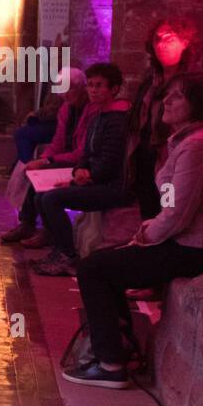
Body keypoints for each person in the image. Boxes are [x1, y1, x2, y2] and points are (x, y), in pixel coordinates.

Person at [67, 72, 203, 388]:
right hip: (182, 240)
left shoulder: (198, 145)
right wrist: (149, 230)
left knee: (94, 268)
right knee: (102, 262)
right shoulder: (188, 141)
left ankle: (110, 364)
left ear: (199, 104)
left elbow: (178, 212)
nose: (167, 101)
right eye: (167, 94)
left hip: (193, 249)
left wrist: (146, 237)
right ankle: (119, 346)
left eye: (177, 96)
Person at [32, 63, 131, 276]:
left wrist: (85, 177)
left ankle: (68, 256)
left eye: (100, 86)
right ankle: (59, 248)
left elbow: (110, 162)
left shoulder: (117, 120)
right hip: (92, 179)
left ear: (113, 89)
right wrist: (78, 171)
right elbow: (85, 153)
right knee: (41, 196)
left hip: (111, 186)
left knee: (52, 199)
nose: (93, 90)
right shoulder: (97, 117)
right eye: (91, 85)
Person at [2, 68, 89, 246]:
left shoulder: (90, 110)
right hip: (67, 157)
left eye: (68, 88)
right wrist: (42, 159)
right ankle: (27, 223)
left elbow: (82, 151)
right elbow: (57, 142)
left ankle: (49, 231)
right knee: (35, 171)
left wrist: (49, 161)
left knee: (45, 180)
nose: (63, 94)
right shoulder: (66, 108)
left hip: (81, 162)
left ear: (81, 88)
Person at [126, 17, 197, 219]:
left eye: (169, 38)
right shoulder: (151, 79)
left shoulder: (192, 81)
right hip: (145, 153)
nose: (162, 44)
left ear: (184, 43)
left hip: (171, 156)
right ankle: (149, 244)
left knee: (168, 206)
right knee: (148, 205)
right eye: (157, 39)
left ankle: (164, 244)